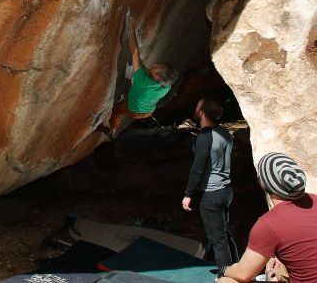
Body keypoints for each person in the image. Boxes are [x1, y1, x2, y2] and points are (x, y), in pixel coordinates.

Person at [217, 152, 317, 283]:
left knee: (225, 281)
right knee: (280, 268)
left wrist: (226, 269)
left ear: (262, 183)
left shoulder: (269, 224)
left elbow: (243, 274)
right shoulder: (314, 200)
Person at [97, 14, 177, 139]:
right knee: (138, 83)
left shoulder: (143, 81)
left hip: (134, 111)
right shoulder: (167, 85)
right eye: (158, 64)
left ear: (158, 78)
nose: (155, 65)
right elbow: (142, 67)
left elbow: (134, 52)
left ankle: (112, 131)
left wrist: (131, 28)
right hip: (148, 112)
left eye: (157, 68)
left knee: (118, 111)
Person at [181, 98, 238, 269]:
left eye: (198, 106)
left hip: (211, 193)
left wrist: (188, 194)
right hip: (226, 190)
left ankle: (226, 275)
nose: (196, 108)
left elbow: (197, 169)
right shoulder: (225, 133)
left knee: (217, 239)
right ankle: (236, 267)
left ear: (202, 113)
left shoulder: (205, 138)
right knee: (224, 234)